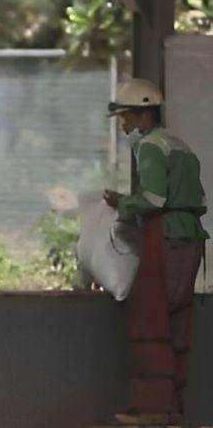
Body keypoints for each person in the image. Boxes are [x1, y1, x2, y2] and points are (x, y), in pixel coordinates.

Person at [103, 78, 208, 425]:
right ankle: (173, 409)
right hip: (191, 239)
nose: (124, 122)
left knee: (151, 319)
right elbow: (199, 198)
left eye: (127, 115)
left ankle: (151, 410)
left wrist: (122, 203)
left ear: (143, 114)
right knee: (178, 323)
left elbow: (154, 199)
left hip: (164, 238)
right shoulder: (179, 144)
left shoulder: (149, 146)